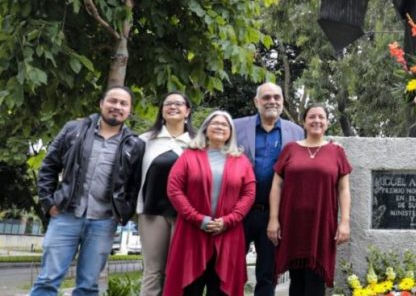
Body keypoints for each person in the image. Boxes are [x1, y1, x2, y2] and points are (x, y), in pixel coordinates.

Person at [31, 86, 145, 296]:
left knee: (88, 286)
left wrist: (124, 213)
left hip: (104, 221)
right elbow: (49, 166)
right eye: (112, 101)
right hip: (65, 215)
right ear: (101, 104)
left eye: (123, 103)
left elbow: (134, 185)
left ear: (130, 110)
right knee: (47, 280)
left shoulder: (135, 144)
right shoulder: (74, 129)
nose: (117, 107)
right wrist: (47, 202)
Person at [163, 111, 255, 296]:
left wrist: (229, 220)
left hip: (228, 234)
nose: (220, 127)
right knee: (190, 289)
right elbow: (174, 189)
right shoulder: (189, 155)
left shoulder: (241, 161)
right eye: (215, 123)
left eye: (225, 124)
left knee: (220, 290)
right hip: (192, 233)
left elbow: (249, 193)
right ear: (205, 129)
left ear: (231, 132)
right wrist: (198, 219)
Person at [267, 104, 352, 296]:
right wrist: (273, 219)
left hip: (322, 223)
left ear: (327, 123)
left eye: (321, 117)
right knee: (296, 279)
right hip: (292, 223)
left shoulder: (336, 151)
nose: (316, 121)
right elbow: (276, 186)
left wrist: (345, 222)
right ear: (304, 122)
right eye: (312, 117)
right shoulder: (290, 149)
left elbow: (344, 189)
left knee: (315, 279)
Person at [234, 82, 304, 296]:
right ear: (256, 101)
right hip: (238, 213)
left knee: (268, 273)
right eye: (266, 97)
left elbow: (312, 153)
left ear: (282, 101)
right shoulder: (236, 127)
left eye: (276, 97)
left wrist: (333, 145)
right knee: (230, 270)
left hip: (274, 215)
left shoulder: (296, 131)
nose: (271, 101)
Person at [138, 92, 195, 296]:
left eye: (179, 104)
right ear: (162, 110)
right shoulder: (145, 140)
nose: (173, 107)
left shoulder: (198, 143)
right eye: (168, 103)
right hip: (152, 212)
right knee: (153, 270)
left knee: (178, 270)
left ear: (187, 111)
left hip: (186, 215)